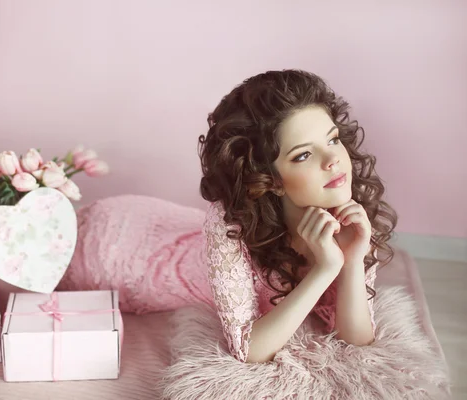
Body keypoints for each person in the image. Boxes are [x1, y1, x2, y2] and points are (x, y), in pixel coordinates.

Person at [59, 69, 397, 364]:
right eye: (303, 155)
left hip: (177, 228)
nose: (333, 160)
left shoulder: (349, 212)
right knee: (54, 245)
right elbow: (249, 351)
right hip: (123, 253)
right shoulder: (230, 226)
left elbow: (357, 339)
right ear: (271, 180)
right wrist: (323, 270)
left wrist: (350, 260)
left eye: (333, 139)